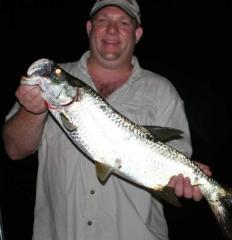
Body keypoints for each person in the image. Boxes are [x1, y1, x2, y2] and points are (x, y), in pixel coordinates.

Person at [2, 0, 212, 239]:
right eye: (103, 21)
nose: (112, 30)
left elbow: (176, 160)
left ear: (137, 33)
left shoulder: (162, 92)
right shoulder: (53, 83)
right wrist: (33, 110)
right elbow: (14, 150)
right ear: (90, 28)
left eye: (123, 22)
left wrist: (188, 178)